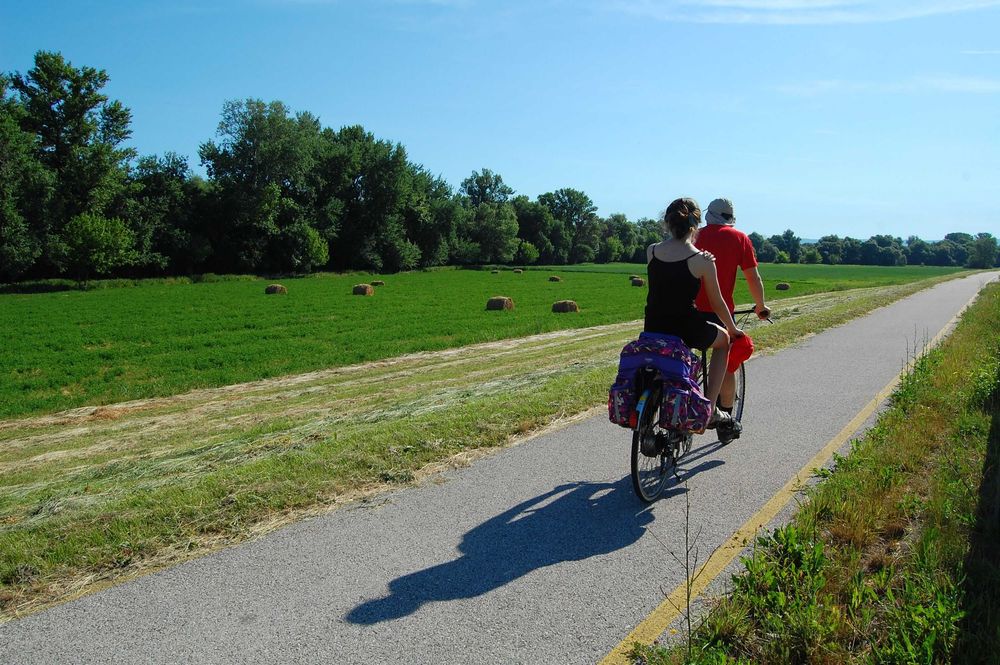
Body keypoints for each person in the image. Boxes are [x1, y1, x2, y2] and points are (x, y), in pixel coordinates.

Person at [644, 197, 743, 428]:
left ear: (667, 223)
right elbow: (718, 303)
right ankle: (707, 409)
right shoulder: (702, 260)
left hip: (654, 326)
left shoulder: (652, 251)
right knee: (724, 341)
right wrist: (733, 328)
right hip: (686, 328)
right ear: (695, 226)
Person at [694, 198, 770, 439]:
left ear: (709, 215)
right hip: (720, 315)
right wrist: (760, 306)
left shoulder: (693, 236)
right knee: (726, 360)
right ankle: (726, 418)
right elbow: (753, 278)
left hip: (688, 313)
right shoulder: (740, 239)